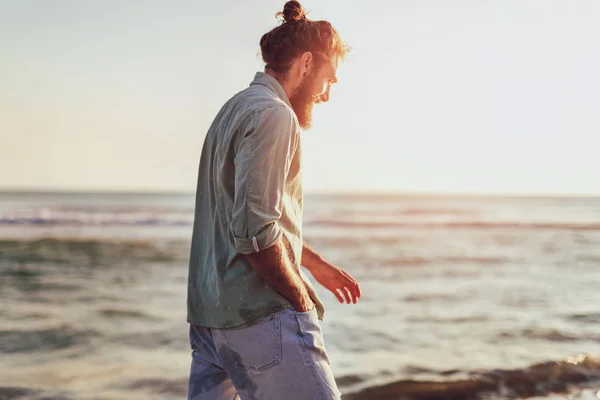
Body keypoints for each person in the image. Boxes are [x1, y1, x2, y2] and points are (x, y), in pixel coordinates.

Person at [186, 1, 361, 399]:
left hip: (211, 320)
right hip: (260, 317)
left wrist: (314, 264)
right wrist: (299, 294)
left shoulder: (232, 109)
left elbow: (245, 214)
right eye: (328, 79)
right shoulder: (274, 115)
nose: (326, 94)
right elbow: (253, 230)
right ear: (304, 64)